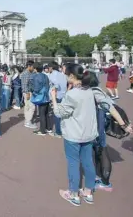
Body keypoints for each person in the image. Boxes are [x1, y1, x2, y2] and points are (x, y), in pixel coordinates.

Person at [50, 63, 98, 206]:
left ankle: (74, 193)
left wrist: (53, 98)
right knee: (88, 162)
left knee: (73, 163)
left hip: (74, 134)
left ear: (71, 76)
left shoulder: (72, 94)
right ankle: (88, 192)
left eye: (66, 75)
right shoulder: (89, 90)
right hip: (88, 133)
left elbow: (59, 113)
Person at [31, 63, 51, 136]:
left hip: (40, 96)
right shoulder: (45, 76)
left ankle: (42, 130)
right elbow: (48, 85)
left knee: (42, 114)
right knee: (46, 113)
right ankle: (48, 128)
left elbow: (36, 88)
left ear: (35, 69)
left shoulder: (36, 77)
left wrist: (34, 92)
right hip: (46, 95)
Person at [48, 61, 67, 138]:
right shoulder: (61, 74)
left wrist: (53, 96)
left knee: (56, 115)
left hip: (56, 96)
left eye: (49, 67)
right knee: (62, 115)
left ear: (51, 67)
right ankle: (62, 131)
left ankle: (58, 132)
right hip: (63, 95)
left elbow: (56, 85)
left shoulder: (52, 75)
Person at [20, 61, 37, 129]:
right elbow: (24, 84)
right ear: (29, 66)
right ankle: (28, 121)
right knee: (31, 107)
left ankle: (27, 121)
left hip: (29, 92)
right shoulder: (25, 73)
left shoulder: (30, 73)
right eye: (32, 67)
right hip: (28, 92)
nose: (33, 68)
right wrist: (27, 93)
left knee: (28, 107)